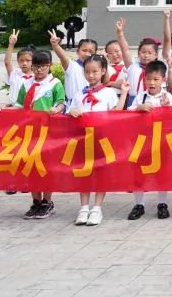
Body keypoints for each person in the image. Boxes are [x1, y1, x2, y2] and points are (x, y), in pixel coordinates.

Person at [0, 49, 65, 219]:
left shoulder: (54, 83)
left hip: (47, 132)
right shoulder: (26, 84)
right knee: (30, 166)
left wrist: (56, 109)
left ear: (50, 66)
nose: (39, 70)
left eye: (43, 66)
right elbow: (19, 105)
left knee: (45, 167)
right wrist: (4, 110)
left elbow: (61, 102)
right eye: (36, 66)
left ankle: (47, 201)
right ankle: (36, 201)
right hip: (28, 132)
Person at [67, 54, 119, 226]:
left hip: (102, 139)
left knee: (101, 171)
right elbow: (70, 111)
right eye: (87, 72)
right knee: (84, 171)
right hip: (83, 139)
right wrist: (72, 112)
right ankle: (84, 207)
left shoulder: (109, 93)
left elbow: (117, 115)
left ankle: (97, 207)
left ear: (103, 71)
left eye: (95, 71)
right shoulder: (79, 94)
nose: (91, 75)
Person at [128, 61, 172, 220]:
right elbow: (127, 114)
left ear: (163, 79)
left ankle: (162, 203)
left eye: (156, 79)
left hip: (161, 140)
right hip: (142, 140)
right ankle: (138, 204)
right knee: (139, 172)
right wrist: (138, 108)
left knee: (162, 172)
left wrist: (166, 108)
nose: (152, 83)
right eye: (149, 79)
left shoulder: (167, 97)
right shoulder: (140, 96)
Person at [2, 29, 35, 106]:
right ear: (17, 61)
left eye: (28, 60)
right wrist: (11, 44)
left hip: (29, 108)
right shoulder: (15, 74)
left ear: (33, 61)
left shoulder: (36, 76)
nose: (24, 63)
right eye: (21, 61)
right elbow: (7, 62)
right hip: (13, 108)